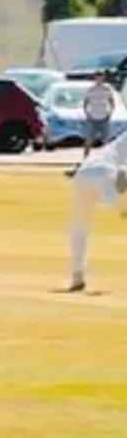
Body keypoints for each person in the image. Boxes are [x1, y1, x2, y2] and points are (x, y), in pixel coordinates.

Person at [66, 131, 127, 292]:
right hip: (107, 173)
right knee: (119, 204)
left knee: (79, 227)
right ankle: (120, 187)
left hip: (83, 174)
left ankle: (77, 275)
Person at [82, 76, 117, 157]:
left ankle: (106, 157)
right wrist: (87, 113)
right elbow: (85, 103)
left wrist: (110, 113)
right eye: (97, 78)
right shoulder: (90, 90)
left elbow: (111, 102)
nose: (99, 80)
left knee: (106, 139)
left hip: (104, 117)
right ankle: (85, 157)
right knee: (88, 139)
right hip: (92, 118)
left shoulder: (107, 90)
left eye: (101, 78)